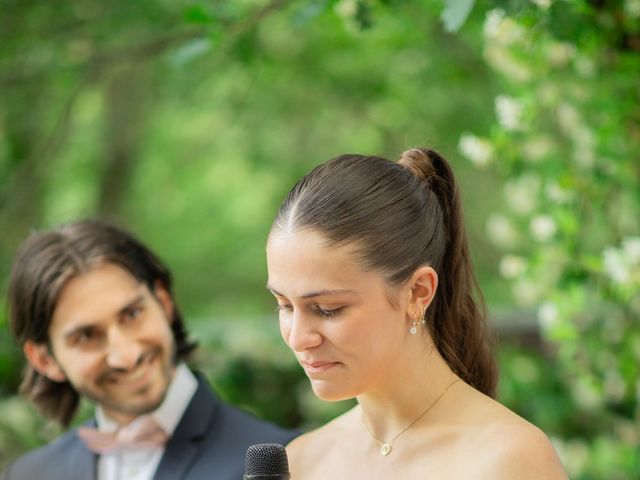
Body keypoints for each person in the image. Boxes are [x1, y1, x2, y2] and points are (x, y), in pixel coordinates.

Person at [265, 148, 568, 479]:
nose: (297, 338)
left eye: (327, 309)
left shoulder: (508, 460)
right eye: (284, 305)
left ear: (417, 292)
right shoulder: (300, 462)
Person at [3, 220, 297, 480]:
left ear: (165, 303)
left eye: (132, 314)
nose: (126, 355)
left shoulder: (288, 460)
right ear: (45, 360)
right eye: (86, 336)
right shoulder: (27, 475)